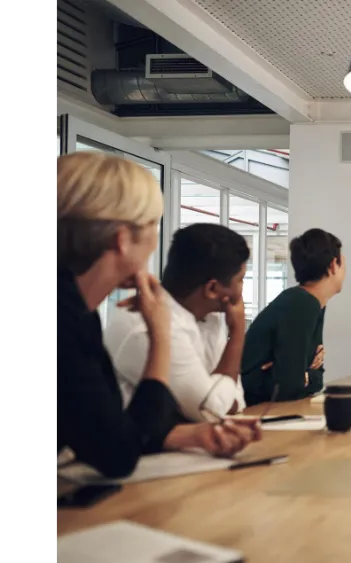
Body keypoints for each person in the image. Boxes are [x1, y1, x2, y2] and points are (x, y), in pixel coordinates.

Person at [56, 152, 260, 478]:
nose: (155, 241)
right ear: (122, 240)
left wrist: (188, 434)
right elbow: (117, 456)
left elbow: (109, 431)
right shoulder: (68, 318)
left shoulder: (80, 311)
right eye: (152, 225)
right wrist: (160, 333)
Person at [105, 223, 251, 422]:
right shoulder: (146, 325)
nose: (241, 290)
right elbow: (211, 410)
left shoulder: (211, 318)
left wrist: (221, 397)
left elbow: (235, 399)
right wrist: (237, 332)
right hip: (130, 449)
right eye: (241, 279)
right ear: (213, 289)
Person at [241, 228, 346, 405]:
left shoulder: (314, 303)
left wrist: (304, 376)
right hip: (254, 412)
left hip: (269, 407)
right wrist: (301, 376)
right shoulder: (301, 303)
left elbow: (316, 377)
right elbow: (288, 388)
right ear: (333, 265)